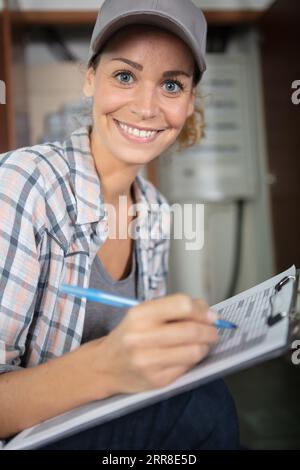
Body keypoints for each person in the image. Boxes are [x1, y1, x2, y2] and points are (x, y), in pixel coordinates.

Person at [0, 0, 240, 450]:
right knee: (201, 408)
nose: (146, 107)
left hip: (102, 424)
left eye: (171, 84)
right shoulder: (21, 184)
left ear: (189, 103)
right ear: (91, 79)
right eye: (125, 76)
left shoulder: (154, 209)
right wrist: (104, 366)